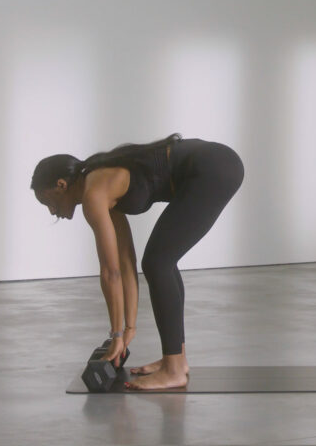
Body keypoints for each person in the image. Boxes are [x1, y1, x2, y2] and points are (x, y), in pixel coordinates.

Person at [30, 133, 244, 390]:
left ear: (61, 185)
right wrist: (128, 328)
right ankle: (176, 359)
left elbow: (110, 273)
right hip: (214, 164)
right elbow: (125, 263)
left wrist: (116, 335)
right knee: (159, 262)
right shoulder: (100, 185)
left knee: (158, 262)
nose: (52, 211)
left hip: (212, 168)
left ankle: (174, 369)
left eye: (48, 202)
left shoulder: (94, 195)